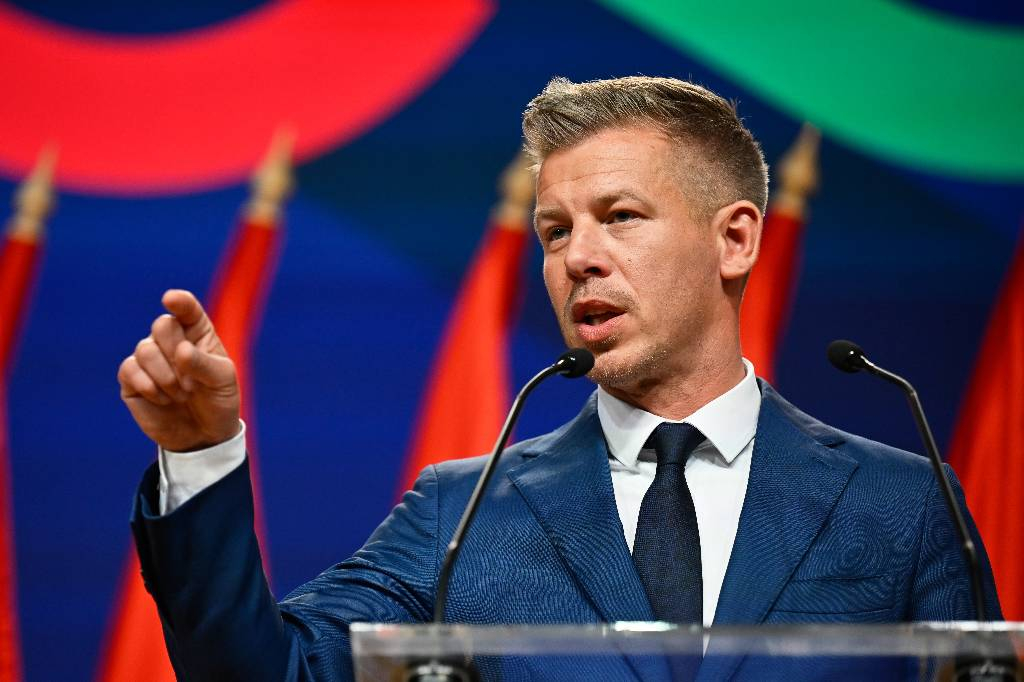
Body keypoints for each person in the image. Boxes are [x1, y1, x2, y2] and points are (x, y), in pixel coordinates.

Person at [119, 76, 1001, 681]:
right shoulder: (462, 515)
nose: (579, 258)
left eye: (620, 217)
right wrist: (200, 453)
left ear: (734, 239)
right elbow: (266, 673)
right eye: (554, 231)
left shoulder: (903, 504)